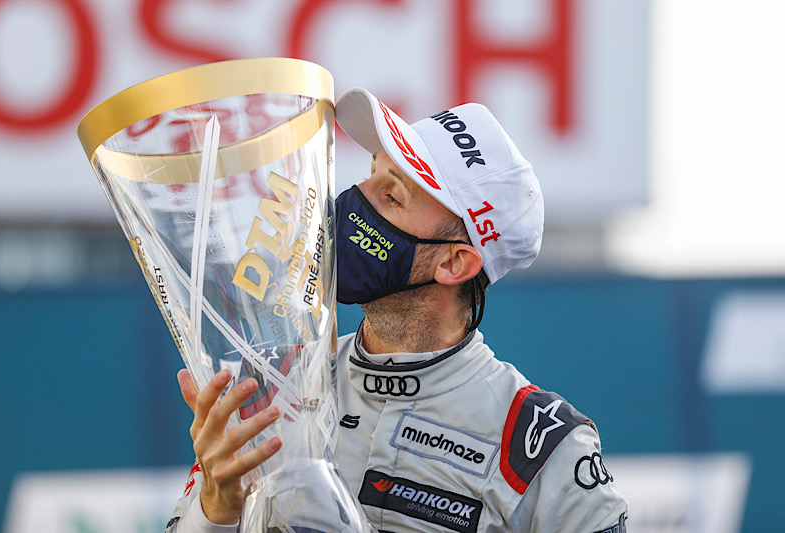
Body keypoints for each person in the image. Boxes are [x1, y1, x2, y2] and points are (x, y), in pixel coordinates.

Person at [165, 88, 628, 532]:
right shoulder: (273, 387)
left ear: (453, 262)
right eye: (370, 172)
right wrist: (215, 510)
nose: (353, 199)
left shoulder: (541, 448)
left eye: (391, 196)